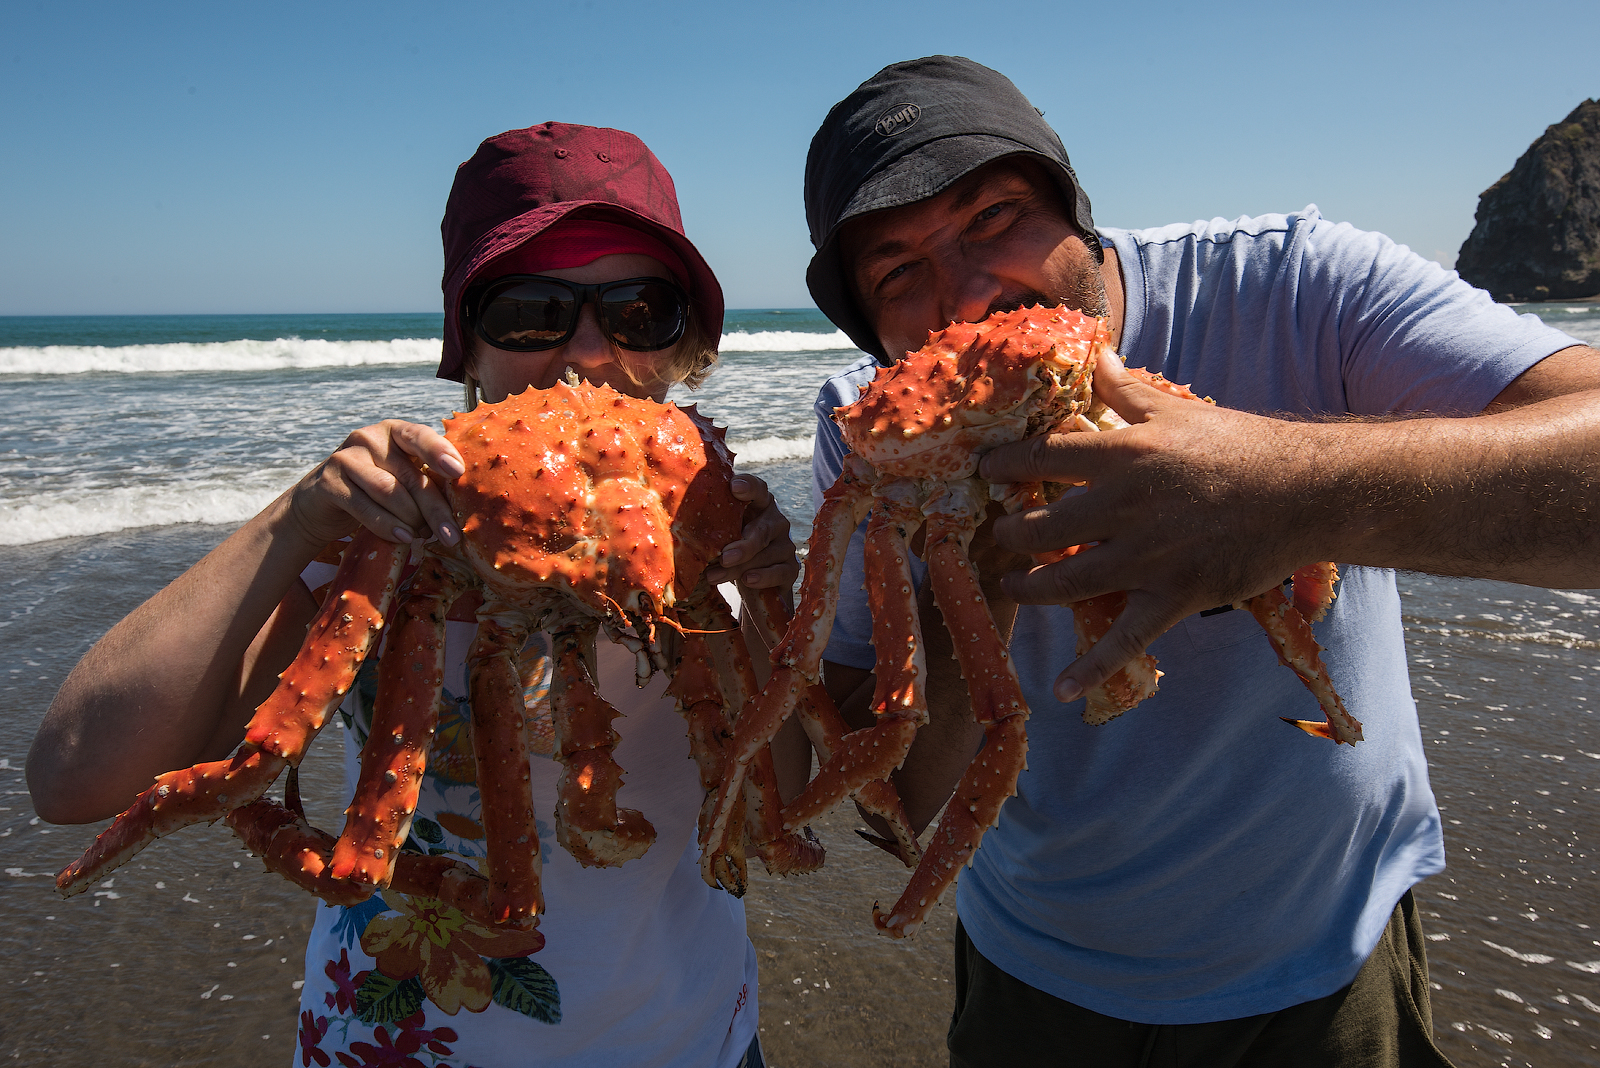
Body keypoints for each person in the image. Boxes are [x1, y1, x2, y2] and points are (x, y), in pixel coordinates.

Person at [804, 57, 1600, 1066]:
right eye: (896, 271)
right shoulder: (872, 435)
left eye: (994, 216)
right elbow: (892, 792)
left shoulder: (1297, 287)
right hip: (1038, 976)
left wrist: (1285, 492)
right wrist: (964, 571)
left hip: (1323, 954)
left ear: (1072, 210)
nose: (963, 298)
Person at [27, 122, 799, 1068]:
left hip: (701, 1040)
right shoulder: (387, 537)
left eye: (643, 311)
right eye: (529, 311)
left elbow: (790, 804)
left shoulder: (718, 526)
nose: (588, 352)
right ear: (464, 347)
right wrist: (295, 522)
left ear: (690, 346)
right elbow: (72, 777)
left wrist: (773, 594)